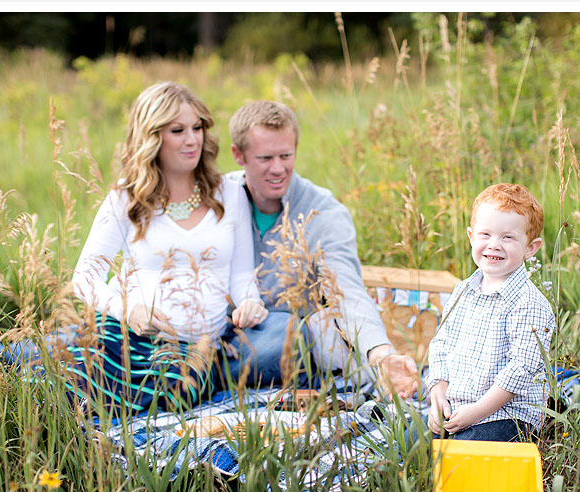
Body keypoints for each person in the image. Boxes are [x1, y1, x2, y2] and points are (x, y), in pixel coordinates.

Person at [67, 81, 266, 415]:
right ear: (152, 136)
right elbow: (84, 276)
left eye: (197, 127)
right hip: (127, 333)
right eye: (177, 130)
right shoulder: (125, 199)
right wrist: (127, 309)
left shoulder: (229, 194)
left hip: (195, 346)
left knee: (176, 394)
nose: (192, 140)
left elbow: (242, 272)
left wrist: (250, 301)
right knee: (73, 382)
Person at [223, 100, 419, 398]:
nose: (278, 168)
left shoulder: (323, 212)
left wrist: (380, 353)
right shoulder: (218, 200)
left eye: (286, 156)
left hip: (282, 340)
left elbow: (347, 291)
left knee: (292, 336)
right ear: (239, 155)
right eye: (265, 158)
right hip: (217, 331)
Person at [424, 183, 556, 442]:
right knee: (410, 447)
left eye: (508, 237)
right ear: (471, 236)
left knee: (464, 457)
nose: (494, 245)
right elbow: (441, 344)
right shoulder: (463, 291)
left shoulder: (529, 303)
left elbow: (521, 369)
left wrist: (476, 412)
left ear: (531, 247)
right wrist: (438, 395)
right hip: (459, 406)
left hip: (505, 416)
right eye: (486, 234)